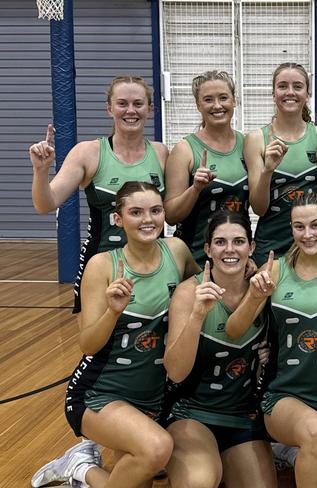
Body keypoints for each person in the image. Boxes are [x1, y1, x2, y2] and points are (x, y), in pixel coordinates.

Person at [31, 182, 199, 488]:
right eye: (136, 212)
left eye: (155, 211)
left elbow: (202, 288)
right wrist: (112, 311)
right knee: (156, 448)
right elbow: (88, 344)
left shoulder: (177, 252)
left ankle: (81, 469)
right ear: (118, 219)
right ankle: (80, 468)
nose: (148, 219)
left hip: (153, 398)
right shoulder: (102, 265)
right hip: (100, 393)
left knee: (145, 471)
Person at [226, 193, 317, 488]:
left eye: (315, 225)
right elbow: (234, 329)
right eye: (299, 227)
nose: (307, 234)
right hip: (281, 393)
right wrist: (254, 296)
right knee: (314, 432)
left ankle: (286, 451)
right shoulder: (276, 270)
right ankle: (287, 443)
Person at [29, 75, 167, 313]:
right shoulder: (88, 153)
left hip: (153, 263)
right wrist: (41, 171)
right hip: (102, 263)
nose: (130, 111)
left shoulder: (161, 153)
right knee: (95, 344)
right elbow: (46, 204)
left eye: (138, 104)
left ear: (150, 109)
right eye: (122, 103)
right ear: (109, 108)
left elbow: (174, 210)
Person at [163, 209, 276, 488]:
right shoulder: (190, 292)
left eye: (238, 242)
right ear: (208, 250)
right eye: (220, 242)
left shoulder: (262, 288)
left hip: (243, 416)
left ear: (251, 248)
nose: (230, 250)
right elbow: (175, 372)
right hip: (192, 414)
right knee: (200, 482)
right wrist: (197, 315)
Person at [246, 62, 317, 265]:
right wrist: (268, 170)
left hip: (311, 241)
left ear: (308, 93)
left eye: (298, 86)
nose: (290, 92)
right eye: (283, 86)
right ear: (273, 93)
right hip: (270, 245)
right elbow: (258, 208)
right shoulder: (256, 139)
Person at [164, 70, 249, 264]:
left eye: (223, 98)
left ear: (234, 101)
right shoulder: (184, 150)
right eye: (208, 99)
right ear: (198, 105)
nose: (217, 105)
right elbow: (170, 215)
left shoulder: (247, 144)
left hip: (235, 256)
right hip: (196, 257)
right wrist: (195, 189)